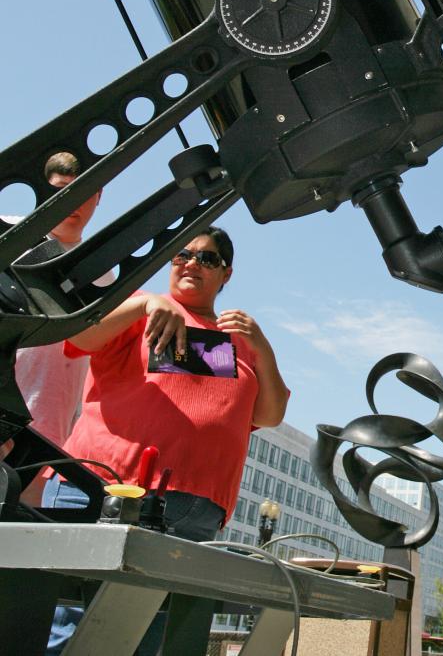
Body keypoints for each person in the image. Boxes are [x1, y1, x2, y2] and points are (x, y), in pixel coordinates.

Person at [43, 225, 289, 654]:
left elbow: (270, 414)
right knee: (71, 628)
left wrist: (262, 347)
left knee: (151, 640)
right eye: (182, 255)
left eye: (206, 258)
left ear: (226, 274)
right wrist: (146, 304)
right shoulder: (139, 310)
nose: (191, 263)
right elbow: (79, 336)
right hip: (105, 490)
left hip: (194, 512)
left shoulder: (238, 340)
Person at [1, 152, 111, 504]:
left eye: (84, 191)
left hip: (49, 430)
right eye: (62, 191)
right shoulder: (8, 236)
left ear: (100, 195)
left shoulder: (105, 272)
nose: (72, 203)